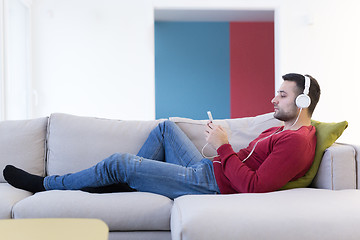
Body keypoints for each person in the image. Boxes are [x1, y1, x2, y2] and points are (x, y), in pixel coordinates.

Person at [3, 73, 321, 199]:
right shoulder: (283, 129)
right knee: (166, 128)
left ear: (303, 100)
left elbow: (254, 187)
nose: (273, 100)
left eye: (281, 95)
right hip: (210, 170)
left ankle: (44, 184)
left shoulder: (296, 142)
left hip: (212, 186)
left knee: (120, 162)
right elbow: (249, 164)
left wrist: (224, 147)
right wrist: (220, 150)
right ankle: (130, 182)